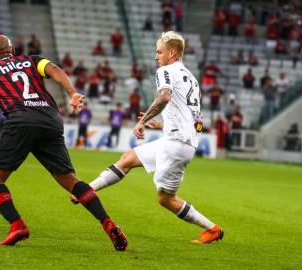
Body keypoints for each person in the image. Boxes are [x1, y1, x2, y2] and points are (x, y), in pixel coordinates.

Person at [0, 34, 127, 250]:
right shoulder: (31, 60)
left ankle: (17, 225)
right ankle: (108, 223)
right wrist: (71, 92)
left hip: (20, 121)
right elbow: (55, 70)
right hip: (50, 120)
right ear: (12, 51)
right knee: (71, 181)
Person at [73, 31, 223, 244]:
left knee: (165, 199)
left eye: (159, 51)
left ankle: (212, 229)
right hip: (176, 141)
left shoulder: (166, 71)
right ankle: (86, 190)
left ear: (171, 52)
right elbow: (197, 121)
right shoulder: (192, 80)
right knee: (127, 158)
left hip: (175, 145)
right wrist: (162, 124)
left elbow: (163, 96)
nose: (156, 57)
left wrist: (142, 122)